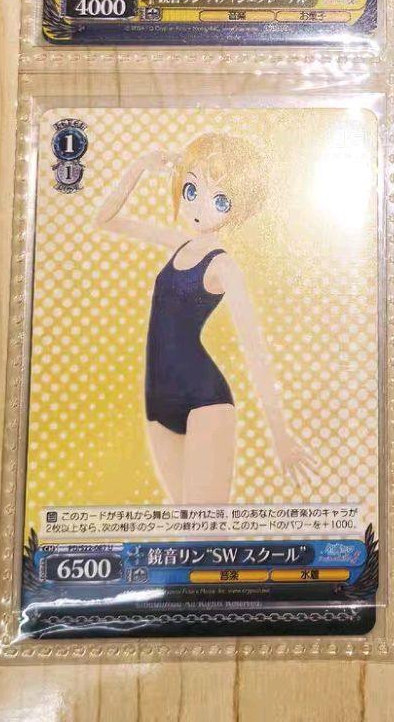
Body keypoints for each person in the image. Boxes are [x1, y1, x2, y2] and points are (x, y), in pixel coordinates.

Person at [95, 133, 313, 504]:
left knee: (206, 524)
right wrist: (140, 166)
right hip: (157, 397)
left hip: (205, 399)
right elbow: (105, 219)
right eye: (192, 189)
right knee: (187, 525)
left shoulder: (223, 266)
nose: (198, 208)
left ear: (238, 210)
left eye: (220, 200)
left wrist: (280, 435)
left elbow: (254, 349)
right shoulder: (177, 244)